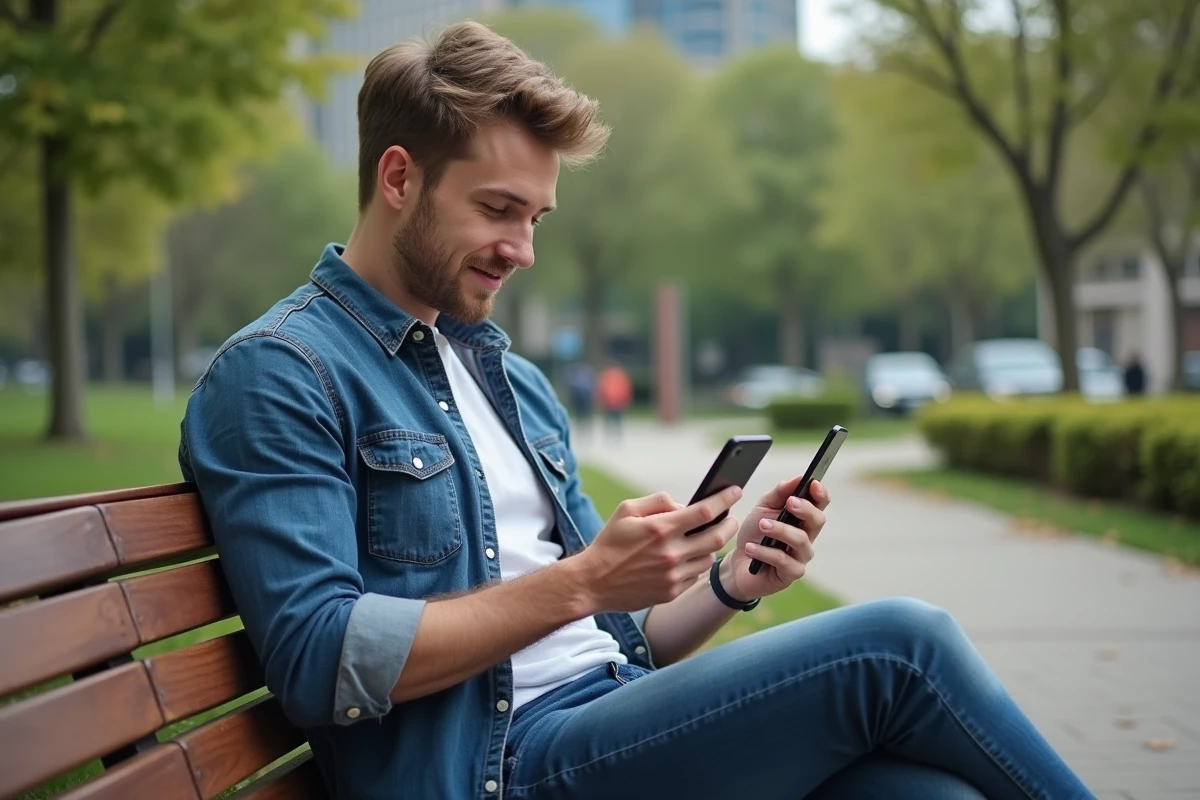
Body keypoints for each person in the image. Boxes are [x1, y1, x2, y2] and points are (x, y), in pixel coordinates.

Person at [179, 21, 1096, 800]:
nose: (523, 249)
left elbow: (624, 639)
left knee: (933, 795)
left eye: (537, 217)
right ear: (398, 178)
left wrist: (731, 582)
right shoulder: (282, 374)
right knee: (903, 644)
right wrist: (581, 582)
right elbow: (318, 660)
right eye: (499, 209)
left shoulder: (512, 383)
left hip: (602, 723)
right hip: (498, 767)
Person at [596, 359, 633, 441]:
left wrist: (599, 400)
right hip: (617, 401)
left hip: (609, 401)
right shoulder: (621, 375)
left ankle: (610, 435)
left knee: (609, 419)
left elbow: (601, 388)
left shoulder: (606, 374)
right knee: (617, 419)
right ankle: (616, 435)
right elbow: (626, 388)